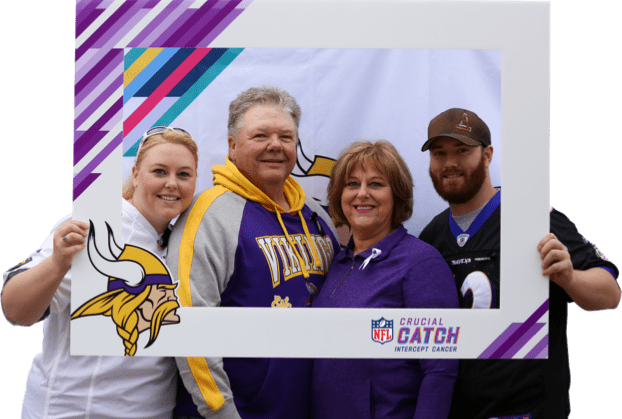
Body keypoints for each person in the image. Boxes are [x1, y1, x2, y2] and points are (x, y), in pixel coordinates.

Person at [418, 108, 621, 419]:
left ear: (487, 155)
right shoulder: (430, 236)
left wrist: (569, 278)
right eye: (439, 153)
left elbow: (610, 294)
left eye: (462, 150)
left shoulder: (531, 215)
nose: (450, 163)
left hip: (528, 411)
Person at [1, 126, 199, 418]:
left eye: (184, 174)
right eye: (159, 171)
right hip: (74, 411)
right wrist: (58, 263)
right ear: (135, 174)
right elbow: (15, 311)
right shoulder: (100, 226)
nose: (172, 183)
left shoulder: (184, 238)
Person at [168, 86, 340, 419]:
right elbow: (187, 325)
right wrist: (221, 411)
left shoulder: (318, 217)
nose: (275, 145)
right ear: (232, 146)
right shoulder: (209, 215)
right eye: (260, 135)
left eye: (286, 137)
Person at [310, 140, 459, 419]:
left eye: (376, 184)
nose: (362, 194)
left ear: (397, 195)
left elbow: (440, 368)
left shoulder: (421, 263)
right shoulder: (338, 262)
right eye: (352, 184)